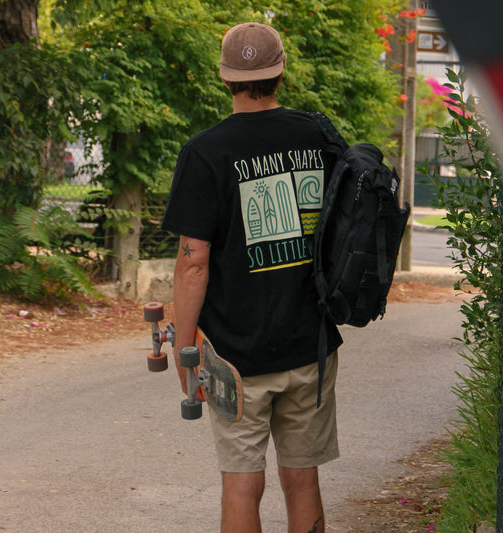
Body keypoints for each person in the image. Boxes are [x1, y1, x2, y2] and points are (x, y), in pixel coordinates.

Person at [162, 22, 343, 533]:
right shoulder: (320, 137)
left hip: (235, 355)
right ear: (281, 71)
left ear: (226, 78)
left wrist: (185, 348)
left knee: (242, 482)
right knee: (302, 478)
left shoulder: (205, 152)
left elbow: (193, 261)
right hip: (311, 343)